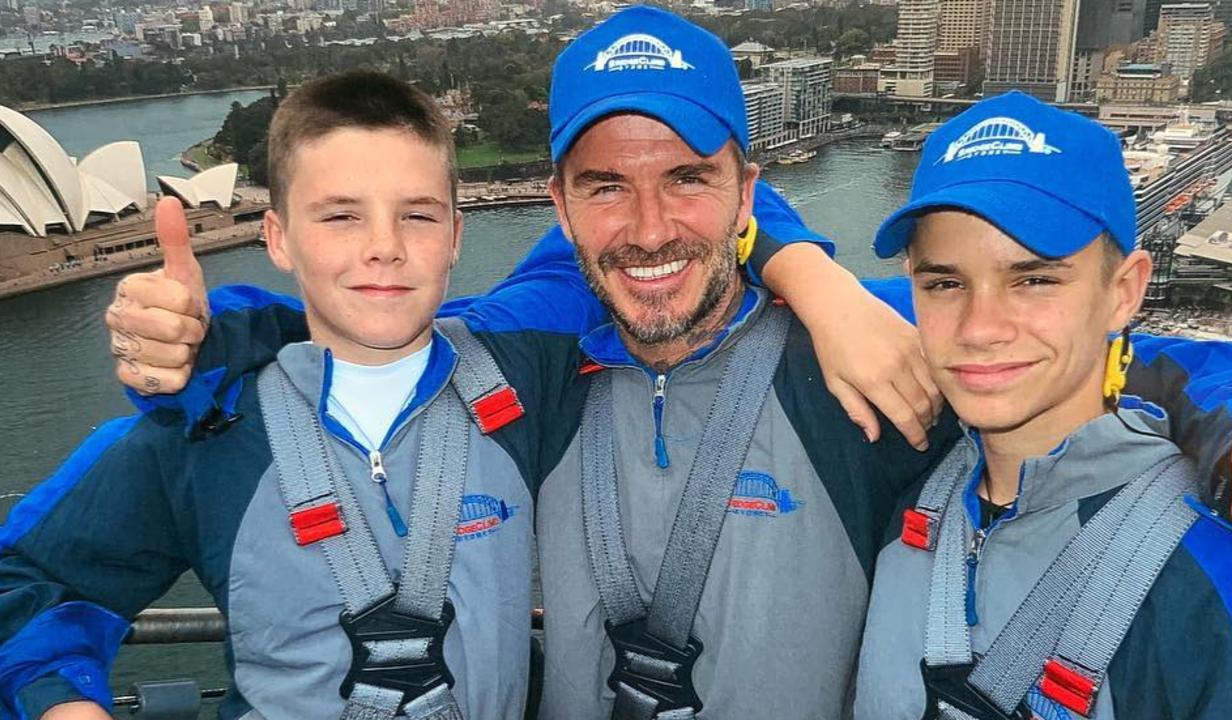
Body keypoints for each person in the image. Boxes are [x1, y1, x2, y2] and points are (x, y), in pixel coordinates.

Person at [101, 7, 1232, 718]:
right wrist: (222, 336)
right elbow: (371, 323)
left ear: (746, 190)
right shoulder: (527, 366)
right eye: (604, 185)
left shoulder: (879, 349)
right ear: (558, 205)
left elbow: (1085, 365)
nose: (646, 228)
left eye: (689, 178)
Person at [0, 71, 549, 720]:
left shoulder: (523, 380)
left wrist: (237, 325)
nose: (385, 247)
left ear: (456, 237)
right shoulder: (206, 430)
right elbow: (20, 584)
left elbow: (617, 248)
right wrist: (65, 706)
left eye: (418, 215)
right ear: (278, 238)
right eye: (341, 216)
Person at [853, 92, 1232, 720]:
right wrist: (797, 267)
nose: (980, 326)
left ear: (1124, 292)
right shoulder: (903, 484)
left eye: (1034, 280)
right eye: (946, 283)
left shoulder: (1204, 579)